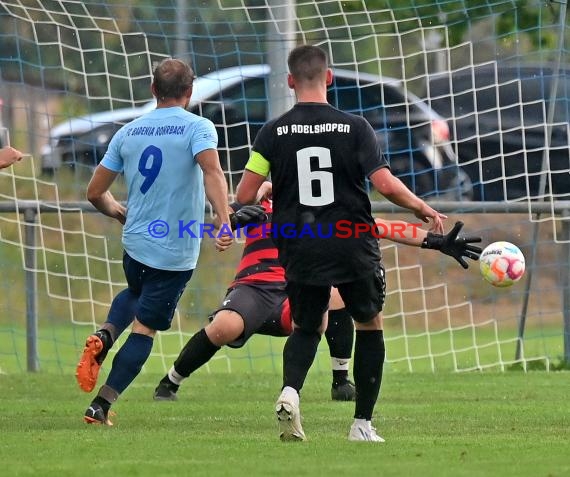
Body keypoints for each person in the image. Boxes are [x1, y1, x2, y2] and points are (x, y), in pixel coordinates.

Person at [235, 45, 481, 442]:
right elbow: (385, 184)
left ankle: (289, 392)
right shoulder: (355, 127)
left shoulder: (272, 132)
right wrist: (420, 207)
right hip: (352, 244)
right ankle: (361, 425)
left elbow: (246, 192)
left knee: (306, 327)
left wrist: (245, 204)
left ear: (290, 81)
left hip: (299, 244)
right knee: (369, 323)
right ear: (328, 78)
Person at [75, 58, 233, 426]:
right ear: (190, 92)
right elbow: (212, 170)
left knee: (134, 290)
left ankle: (105, 333)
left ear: (152, 90)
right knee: (145, 328)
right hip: (174, 250)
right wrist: (223, 219)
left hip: (136, 243)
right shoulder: (198, 126)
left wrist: (116, 211)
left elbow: (95, 191)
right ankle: (101, 405)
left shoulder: (128, 132)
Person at [153, 187, 358, 403]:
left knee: (335, 295)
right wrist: (234, 219)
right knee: (224, 327)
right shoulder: (256, 197)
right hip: (253, 287)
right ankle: (170, 382)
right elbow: (218, 223)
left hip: (297, 285)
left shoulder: (316, 201)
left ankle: (340, 381)